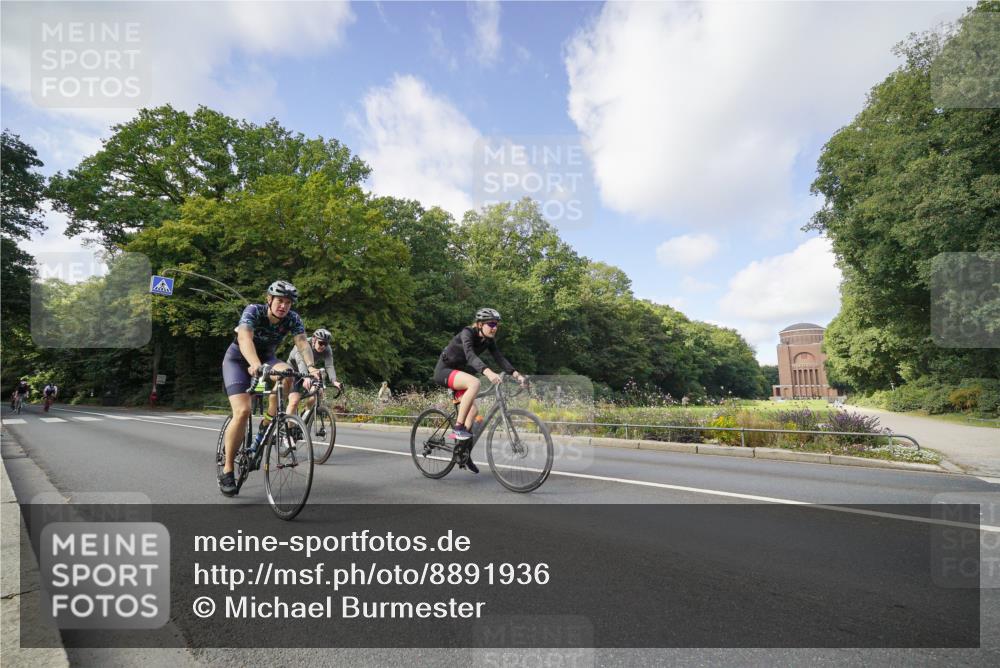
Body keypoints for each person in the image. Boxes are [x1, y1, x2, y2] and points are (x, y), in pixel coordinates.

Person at [218, 280, 321, 497]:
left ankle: (268, 422)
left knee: (288, 375)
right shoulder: (254, 311)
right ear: (269, 299)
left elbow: (302, 343)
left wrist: (312, 368)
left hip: (268, 360)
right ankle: (227, 469)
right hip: (238, 360)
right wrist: (254, 365)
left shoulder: (293, 319)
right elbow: (245, 338)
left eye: (288, 303)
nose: (283, 306)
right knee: (243, 411)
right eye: (280, 301)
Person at [433, 308, 525, 474]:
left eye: (496, 324)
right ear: (480, 324)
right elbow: (469, 355)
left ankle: (463, 452)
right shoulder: (467, 332)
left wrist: (516, 374)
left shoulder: (488, 340)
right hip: (444, 371)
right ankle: (458, 428)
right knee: (474, 383)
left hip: (459, 374)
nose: (495, 327)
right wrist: (488, 372)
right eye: (491, 324)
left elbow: (499, 357)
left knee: (474, 411)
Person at [286, 328, 342, 418]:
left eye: (326, 344)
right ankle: (287, 428)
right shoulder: (302, 345)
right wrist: (306, 378)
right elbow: (301, 362)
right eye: (321, 343)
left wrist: (334, 381)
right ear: (314, 339)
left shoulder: (327, 349)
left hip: (309, 370)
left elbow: (329, 366)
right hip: (294, 371)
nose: (323, 346)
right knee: (294, 402)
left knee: (318, 391)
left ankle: (305, 413)